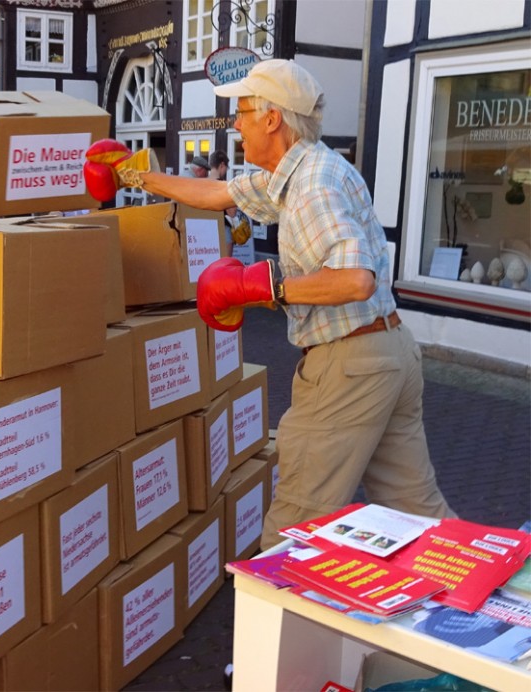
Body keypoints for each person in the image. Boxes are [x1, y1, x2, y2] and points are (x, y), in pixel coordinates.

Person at [98, 59, 456, 549]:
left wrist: (265, 287)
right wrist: (135, 178)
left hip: (347, 365)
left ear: (272, 120)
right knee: (419, 516)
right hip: (390, 352)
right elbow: (218, 193)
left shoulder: (311, 187)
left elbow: (355, 279)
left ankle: (274, 601)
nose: (235, 124)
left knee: (292, 532)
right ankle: (502, 588)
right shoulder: (304, 170)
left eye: (243, 112)